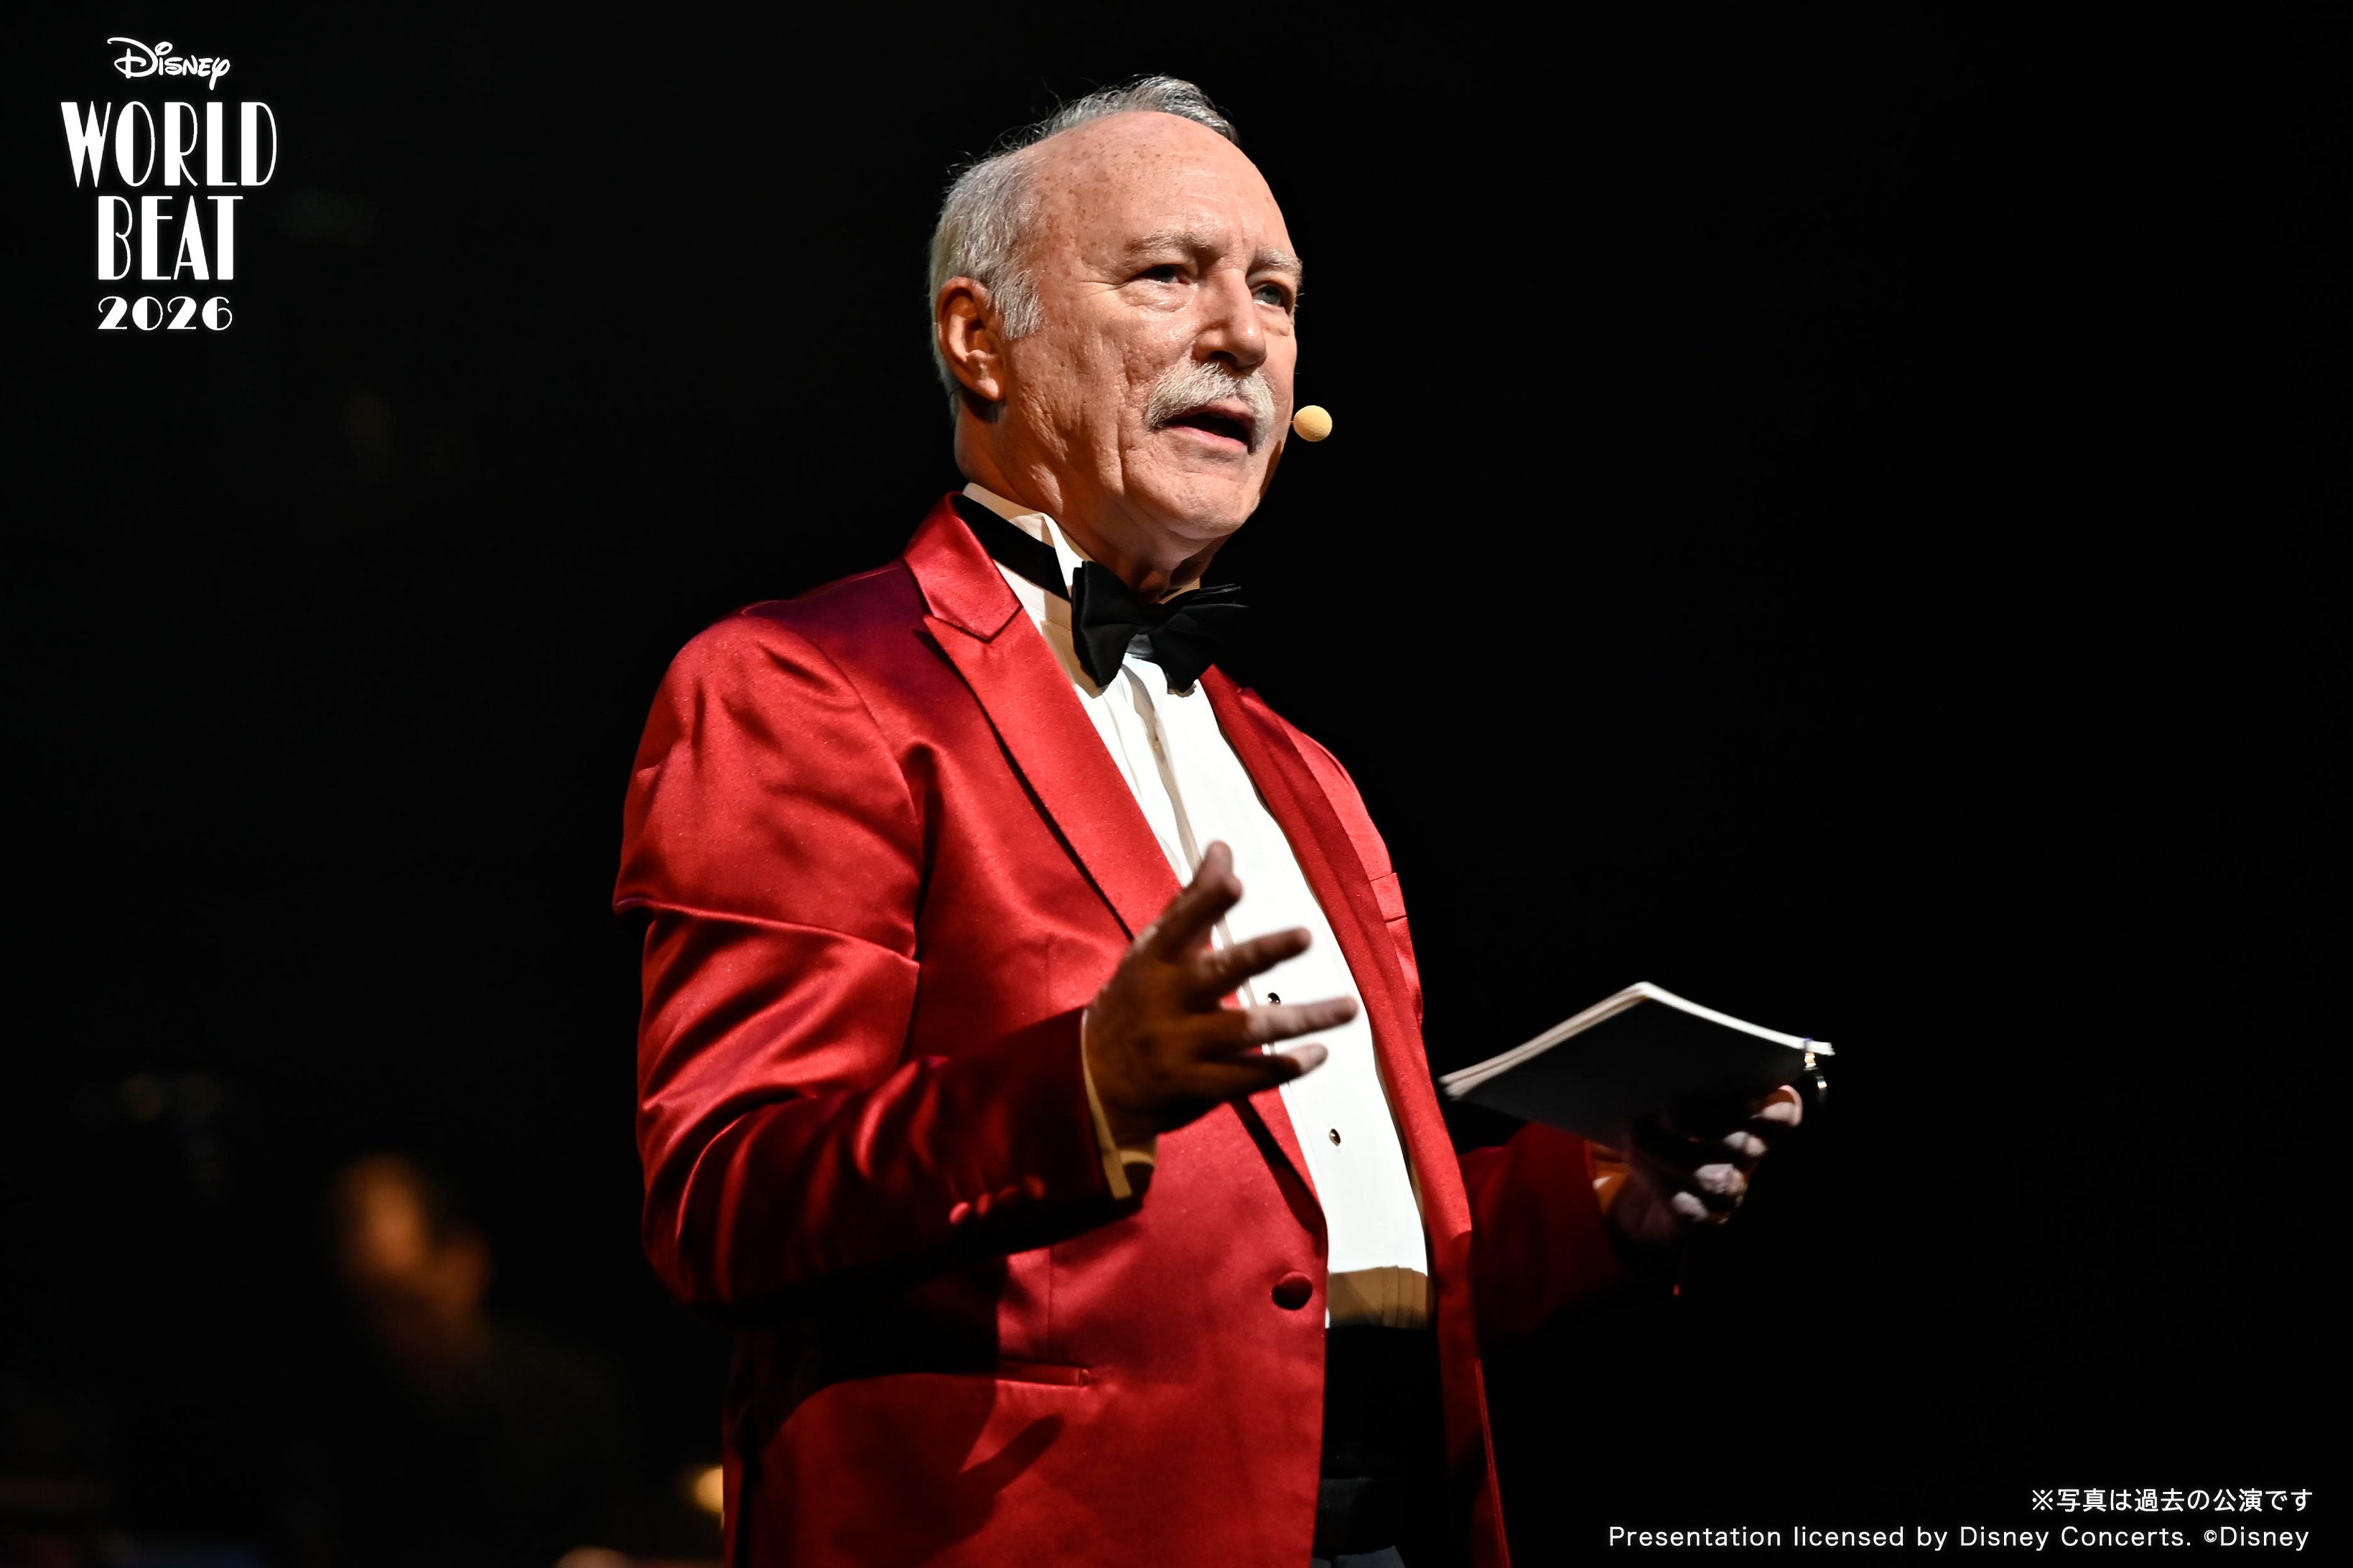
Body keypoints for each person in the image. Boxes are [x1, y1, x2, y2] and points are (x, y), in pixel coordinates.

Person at [615, 77, 1801, 1567]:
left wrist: (1600, 1204)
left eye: (1277, 294)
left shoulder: (1303, 769)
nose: (1243, 334)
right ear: (978, 339)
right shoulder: (802, 686)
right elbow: (725, 1195)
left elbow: (1310, 1261)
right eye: (1168, 275)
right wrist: (1085, 1087)